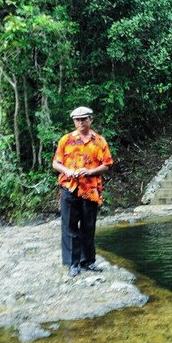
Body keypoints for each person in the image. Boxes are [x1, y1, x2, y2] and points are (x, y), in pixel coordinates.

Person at [52, 106, 114, 277]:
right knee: (70, 226)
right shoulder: (66, 140)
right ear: (73, 121)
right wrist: (67, 171)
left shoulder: (99, 141)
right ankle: (73, 263)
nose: (80, 122)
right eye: (77, 119)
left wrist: (91, 171)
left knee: (88, 226)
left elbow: (107, 164)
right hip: (69, 187)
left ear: (90, 119)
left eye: (84, 119)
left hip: (91, 190)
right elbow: (55, 163)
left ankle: (88, 261)